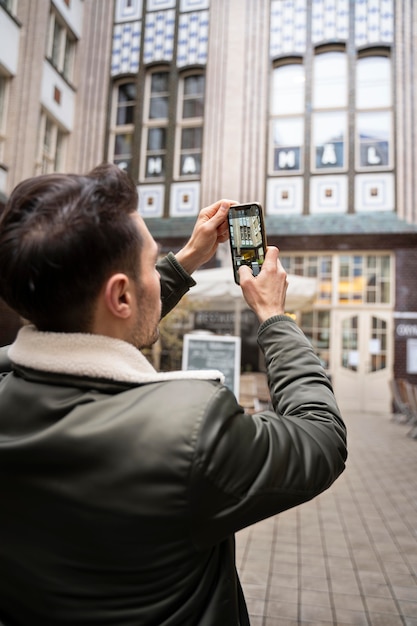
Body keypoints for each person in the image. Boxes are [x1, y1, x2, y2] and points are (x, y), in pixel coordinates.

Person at [0, 163, 347, 626]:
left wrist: (185, 260)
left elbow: (103, 313)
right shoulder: (188, 432)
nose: (155, 269)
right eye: (150, 261)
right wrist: (273, 318)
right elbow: (320, 438)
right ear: (120, 296)